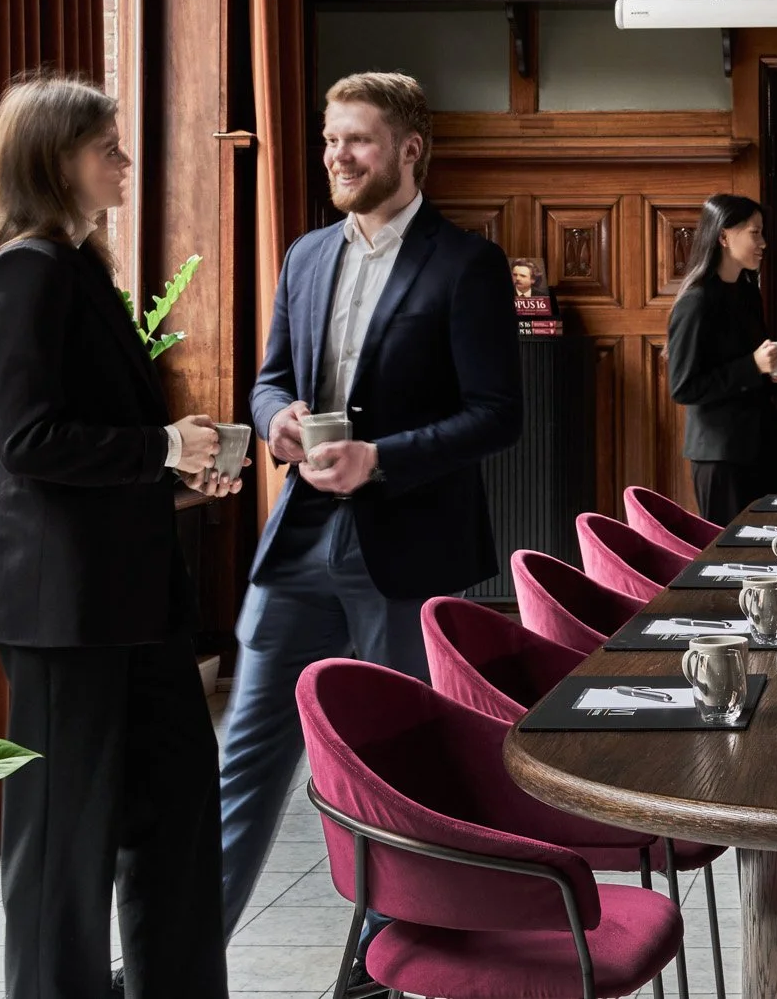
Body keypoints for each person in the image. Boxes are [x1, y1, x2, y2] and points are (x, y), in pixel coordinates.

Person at [0, 74, 243, 999]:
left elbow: (92, 433)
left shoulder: (77, 264)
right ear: (51, 160)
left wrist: (177, 462)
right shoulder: (23, 270)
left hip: (130, 595)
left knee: (176, 810)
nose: (124, 161)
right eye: (106, 147)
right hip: (60, 606)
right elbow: (29, 443)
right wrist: (161, 446)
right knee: (62, 844)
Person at [219, 71, 521, 934]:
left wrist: (379, 460)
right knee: (246, 756)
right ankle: (183, 960)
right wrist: (276, 421)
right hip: (298, 545)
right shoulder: (305, 256)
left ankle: (388, 963)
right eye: (328, 141)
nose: (337, 157)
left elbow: (498, 417)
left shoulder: (467, 264)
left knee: (397, 771)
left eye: (355, 140)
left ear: (408, 149)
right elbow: (271, 379)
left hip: (407, 549)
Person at [667, 193, 777, 521]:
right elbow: (683, 387)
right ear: (723, 236)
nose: (763, 242)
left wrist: (772, 374)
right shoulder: (695, 303)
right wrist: (753, 365)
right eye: (755, 232)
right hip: (721, 457)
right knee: (733, 561)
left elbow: (751, 368)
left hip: (762, 448)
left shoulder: (748, 293)